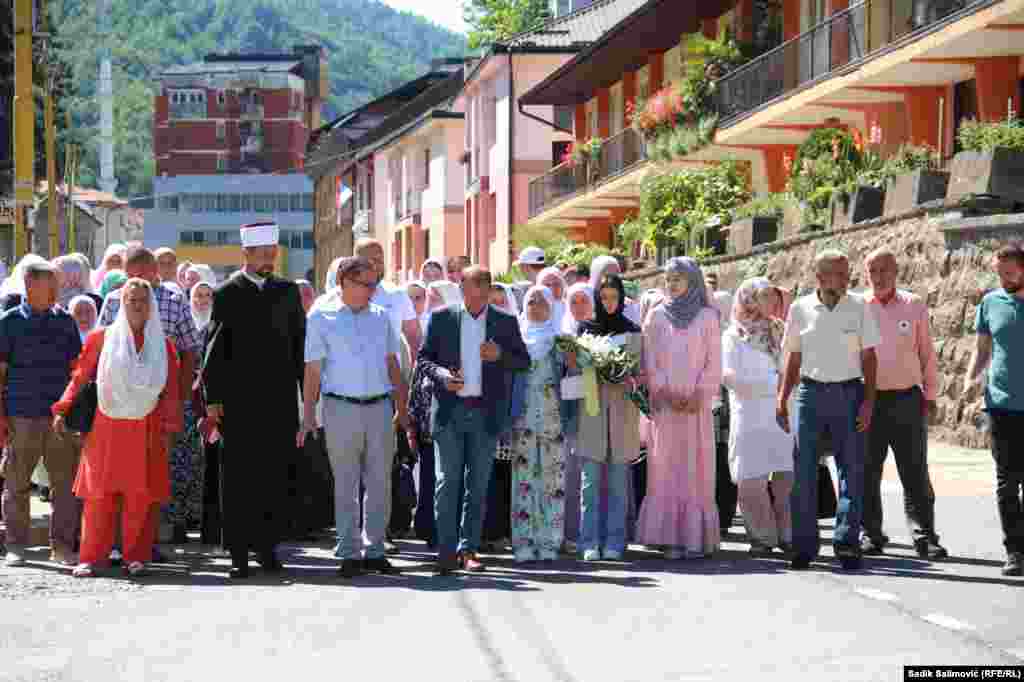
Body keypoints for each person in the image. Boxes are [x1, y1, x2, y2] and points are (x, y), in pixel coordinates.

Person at [53, 279, 180, 577]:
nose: (137, 306)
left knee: (140, 495)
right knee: (98, 495)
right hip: (105, 427)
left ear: (152, 306)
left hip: (146, 426)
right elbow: (80, 378)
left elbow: (171, 391)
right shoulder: (101, 338)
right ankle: (90, 557)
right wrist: (62, 408)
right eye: (131, 300)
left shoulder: (164, 346)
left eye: (142, 301)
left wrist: (170, 425)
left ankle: (135, 556)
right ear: (121, 304)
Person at [203, 222, 306, 578]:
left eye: (271, 252)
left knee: (273, 477)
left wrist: (306, 400)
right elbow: (213, 351)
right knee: (238, 480)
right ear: (245, 254)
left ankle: (267, 547)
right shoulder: (227, 292)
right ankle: (238, 554)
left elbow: (299, 347)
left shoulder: (288, 292)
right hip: (239, 404)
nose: (267, 258)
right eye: (261, 253)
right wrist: (213, 400)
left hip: (278, 402)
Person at [416, 266, 530, 575]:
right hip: (450, 412)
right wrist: (441, 375)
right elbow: (424, 359)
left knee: (477, 486)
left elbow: (523, 360)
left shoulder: (505, 322)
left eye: (481, 292)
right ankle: (445, 550)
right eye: (469, 291)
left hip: (485, 413)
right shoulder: (442, 318)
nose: (475, 298)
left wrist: (500, 356)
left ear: (490, 291)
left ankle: (469, 550)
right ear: (461, 288)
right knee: (447, 482)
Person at [300, 256, 408, 578]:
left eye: (374, 283)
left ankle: (375, 550)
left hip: (379, 408)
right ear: (345, 283)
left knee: (379, 483)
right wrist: (308, 414)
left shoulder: (382, 317)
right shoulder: (321, 317)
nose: (373, 289)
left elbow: (393, 365)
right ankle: (348, 551)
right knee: (345, 483)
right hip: (339, 407)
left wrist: (402, 409)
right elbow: (313, 370)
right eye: (366, 283)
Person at [777, 249, 881, 571]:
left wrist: (868, 403)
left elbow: (869, 358)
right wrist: (782, 400)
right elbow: (793, 357)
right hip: (810, 394)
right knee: (805, 471)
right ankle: (804, 547)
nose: (846, 278)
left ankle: (846, 543)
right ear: (820, 278)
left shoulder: (860, 307)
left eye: (847, 272)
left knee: (851, 470)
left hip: (850, 393)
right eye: (839, 273)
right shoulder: (800, 309)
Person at [99, 247, 202, 548]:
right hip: (120, 403)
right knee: (122, 470)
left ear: (155, 271)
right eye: (133, 274)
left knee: (159, 470)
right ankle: (121, 541)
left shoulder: (173, 300)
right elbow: (101, 349)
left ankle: (153, 537)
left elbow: (190, 349)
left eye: (145, 273)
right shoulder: (115, 300)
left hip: (162, 401)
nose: (139, 281)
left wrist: (182, 397)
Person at [861, 248, 946, 560]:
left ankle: (925, 537)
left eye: (884, 270)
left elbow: (927, 354)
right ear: (866, 274)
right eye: (873, 271)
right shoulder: (857, 307)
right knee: (867, 470)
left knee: (914, 472)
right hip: (868, 400)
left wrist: (931, 395)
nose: (879, 277)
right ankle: (870, 534)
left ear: (896, 271)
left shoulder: (914, 305)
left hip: (908, 399)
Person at [0, 260, 84, 567]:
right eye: (52, 286)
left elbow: (77, 369)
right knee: (16, 483)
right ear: (30, 286)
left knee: (64, 486)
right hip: (20, 414)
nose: (57, 292)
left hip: (59, 417)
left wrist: (71, 410)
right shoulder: (8, 321)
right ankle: (16, 546)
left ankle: (61, 547)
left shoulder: (65, 321)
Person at [638, 258, 722, 559]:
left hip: (695, 408)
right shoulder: (657, 316)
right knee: (665, 468)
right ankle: (669, 538)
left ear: (692, 281)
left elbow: (714, 361)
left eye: (678, 278)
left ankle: (695, 538)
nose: (671, 284)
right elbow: (650, 359)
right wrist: (664, 390)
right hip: (666, 406)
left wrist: (699, 393)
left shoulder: (708, 317)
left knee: (696, 467)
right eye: (668, 278)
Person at [722, 277, 793, 555]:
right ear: (749, 299)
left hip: (784, 412)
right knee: (752, 479)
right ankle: (762, 537)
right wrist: (770, 386)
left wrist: (786, 388)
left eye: (772, 296)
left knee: (786, 476)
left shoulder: (781, 329)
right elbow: (728, 376)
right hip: (750, 413)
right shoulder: (733, 335)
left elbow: (795, 362)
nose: (771, 301)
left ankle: (788, 533)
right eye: (763, 296)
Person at [575, 274, 643, 561]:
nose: (609, 302)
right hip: (592, 409)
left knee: (617, 481)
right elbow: (577, 365)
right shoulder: (585, 328)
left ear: (621, 298)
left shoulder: (633, 330)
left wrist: (620, 372)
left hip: (622, 410)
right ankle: (588, 540)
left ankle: (615, 541)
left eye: (614, 297)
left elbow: (637, 370)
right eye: (604, 297)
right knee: (590, 482)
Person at [967, 241, 1024, 576]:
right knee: (1006, 482)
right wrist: (970, 378)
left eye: (1010, 272)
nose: (1003, 278)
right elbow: (982, 349)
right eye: (999, 273)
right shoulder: (990, 302)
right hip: (1000, 404)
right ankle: (1014, 551)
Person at [509, 285, 577, 562]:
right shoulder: (517, 339)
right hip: (523, 416)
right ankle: (524, 543)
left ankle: (550, 542)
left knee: (553, 479)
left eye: (541, 302)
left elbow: (573, 379)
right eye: (531, 301)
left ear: (552, 306)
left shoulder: (561, 340)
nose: (536, 306)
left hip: (553, 417)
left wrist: (572, 362)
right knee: (524, 478)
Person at [408, 278, 465, 546]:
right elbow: (419, 371)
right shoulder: (427, 328)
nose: (430, 303)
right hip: (426, 415)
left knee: (450, 475)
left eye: (435, 297)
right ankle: (427, 527)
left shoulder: (461, 330)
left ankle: (449, 532)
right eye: (428, 297)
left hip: (453, 414)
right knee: (429, 471)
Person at [589, 255, 641, 326]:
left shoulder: (628, 305)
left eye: (616, 274)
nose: (611, 279)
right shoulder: (583, 301)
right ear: (595, 276)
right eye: (607, 274)